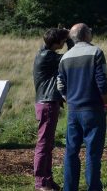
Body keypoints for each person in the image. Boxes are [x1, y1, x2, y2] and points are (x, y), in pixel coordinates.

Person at [57, 23, 107, 191]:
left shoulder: (65, 57)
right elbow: (103, 83)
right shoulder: (96, 52)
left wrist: (69, 99)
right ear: (87, 34)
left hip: (73, 110)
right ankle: (93, 188)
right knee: (93, 153)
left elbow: (60, 85)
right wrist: (105, 103)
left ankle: (69, 188)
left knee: (71, 152)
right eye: (90, 30)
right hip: (93, 109)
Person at [33, 27, 73, 191]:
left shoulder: (44, 53)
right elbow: (71, 57)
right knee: (44, 144)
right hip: (48, 103)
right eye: (63, 41)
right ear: (57, 42)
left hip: (46, 102)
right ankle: (41, 182)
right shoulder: (48, 56)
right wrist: (70, 38)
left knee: (47, 144)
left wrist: (64, 35)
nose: (64, 43)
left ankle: (47, 180)